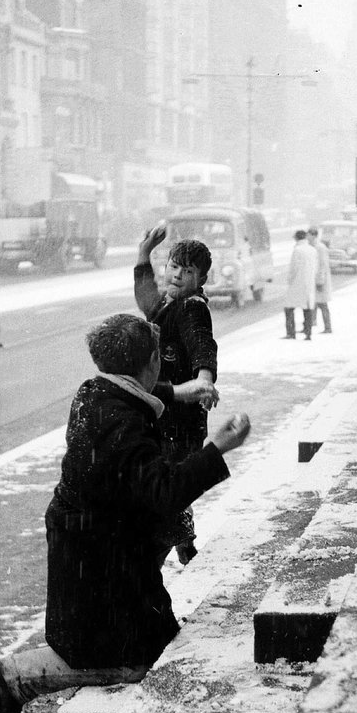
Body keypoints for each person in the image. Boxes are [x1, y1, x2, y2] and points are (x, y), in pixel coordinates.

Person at [0, 314, 251, 713]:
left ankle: (25, 673)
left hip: (93, 551)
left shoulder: (97, 393)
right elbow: (163, 491)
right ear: (149, 364)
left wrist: (176, 391)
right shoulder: (122, 423)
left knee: (149, 638)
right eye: (157, 358)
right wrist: (218, 448)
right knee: (136, 658)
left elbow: (137, 390)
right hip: (101, 562)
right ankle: (18, 677)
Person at [134, 224, 219, 565]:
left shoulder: (192, 308)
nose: (178, 275)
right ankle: (182, 538)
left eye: (189, 271)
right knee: (170, 483)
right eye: (173, 266)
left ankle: (160, 554)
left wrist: (204, 378)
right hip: (170, 412)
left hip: (181, 417)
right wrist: (143, 255)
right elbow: (147, 301)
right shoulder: (170, 304)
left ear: (201, 280)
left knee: (166, 487)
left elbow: (202, 343)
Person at [282, 229, 318, 340]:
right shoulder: (313, 250)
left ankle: (291, 332)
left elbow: (293, 268)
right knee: (307, 309)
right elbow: (316, 266)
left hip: (297, 283)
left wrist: (289, 280)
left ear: (296, 238)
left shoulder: (297, 250)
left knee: (289, 308)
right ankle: (308, 332)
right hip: (309, 282)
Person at [308, 226, 333, 333]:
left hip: (320, 280)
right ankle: (310, 323)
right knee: (313, 302)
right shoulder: (313, 246)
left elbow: (322, 265)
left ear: (313, 235)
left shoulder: (320, 247)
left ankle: (327, 327)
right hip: (315, 279)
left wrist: (320, 281)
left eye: (308, 235)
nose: (307, 237)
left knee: (322, 304)